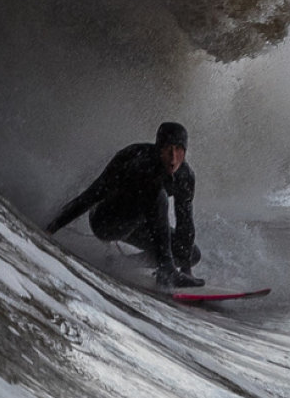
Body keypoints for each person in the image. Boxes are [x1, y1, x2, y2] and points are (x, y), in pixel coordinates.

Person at [45, 122, 205, 289]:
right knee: (158, 194)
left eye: (179, 149)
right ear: (159, 149)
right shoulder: (137, 161)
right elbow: (92, 195)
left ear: (185, 152)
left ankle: (121, 263)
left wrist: (186, 270)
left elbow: (185, 223)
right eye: (168, 149)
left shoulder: (185, 176)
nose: (173, 157)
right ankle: (167, 270)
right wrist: (52, 227)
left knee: (191, 254)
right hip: (107, 220)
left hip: (140, 226)